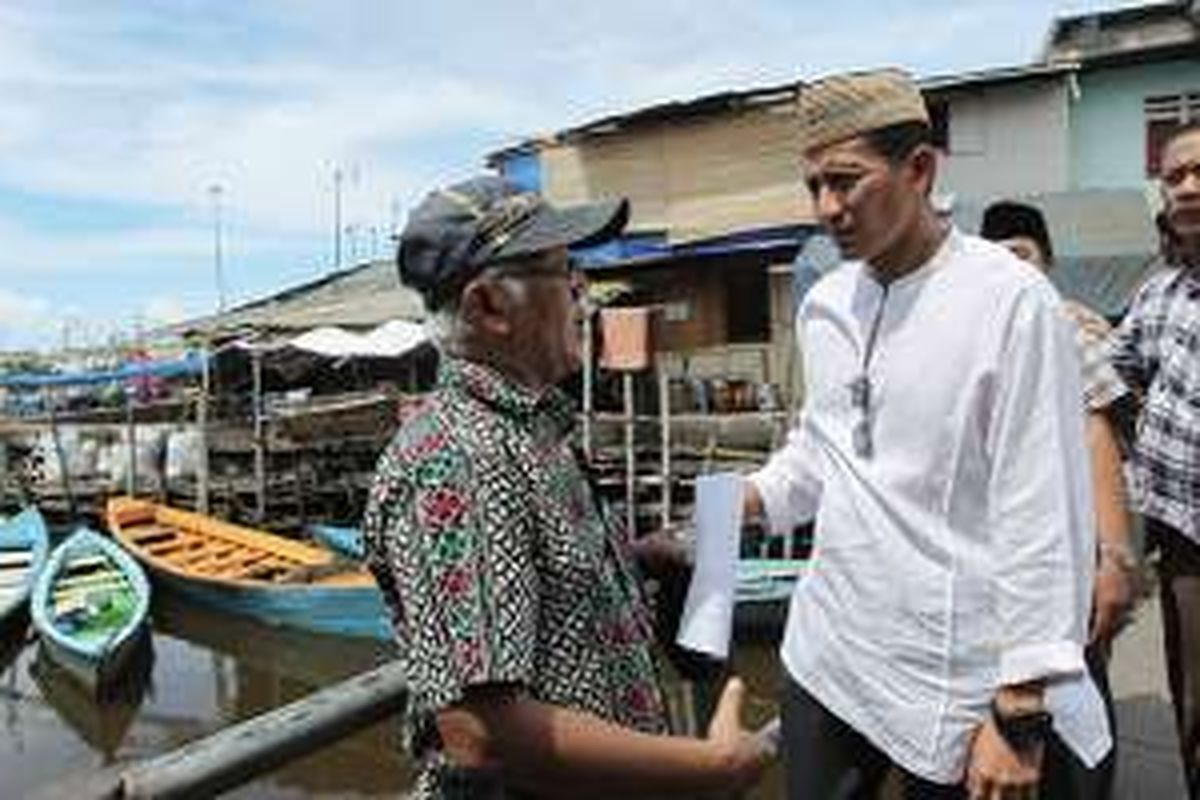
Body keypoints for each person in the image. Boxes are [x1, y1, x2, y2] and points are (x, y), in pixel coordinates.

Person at [743, 69, 1111, 799]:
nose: (827, 207)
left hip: (962, 676)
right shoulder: (827, 307)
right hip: (833, 655)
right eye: (813, 184)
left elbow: (1041, 512)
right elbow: (823, 451)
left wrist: (1019, 710)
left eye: (845, 181)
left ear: (919, 169)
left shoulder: (1008, 302)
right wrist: (739, 503)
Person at [362, 175, 772, 799]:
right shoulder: (459, 461)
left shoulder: (532, 429)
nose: (585, 298)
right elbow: (483, 730)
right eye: (565, 275)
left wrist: (632, 560)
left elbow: (528, 586)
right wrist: (712, 766)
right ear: (489, 307)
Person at [980, 199, 1138, 798]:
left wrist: (1114, 555)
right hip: (997, 568)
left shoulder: (1062, 324)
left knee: (1072, 703)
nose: (1010, 268)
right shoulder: (979, 328)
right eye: (996, 257)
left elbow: (1093, 426)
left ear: (1047, 262)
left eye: (1021, 254)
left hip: (1065, 563)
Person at [1107, 122, 1200, 798]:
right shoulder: (1160, 292)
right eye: (1174, 177)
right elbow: (1114, 369)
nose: (1189, 187)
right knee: (1195, 700)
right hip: (1185, 534)